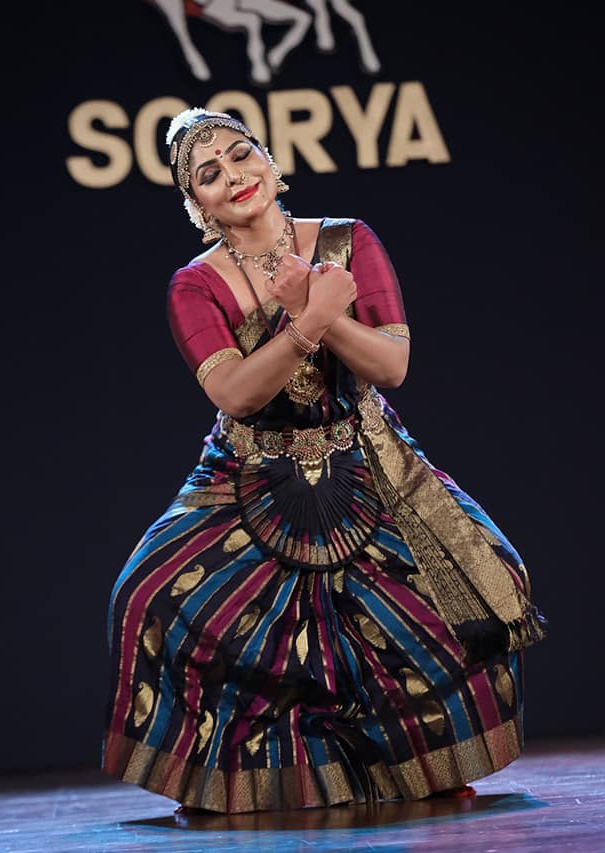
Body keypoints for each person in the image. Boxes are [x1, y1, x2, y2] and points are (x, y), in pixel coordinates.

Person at [102, 108, 545, 814]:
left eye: (241, 155)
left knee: (480, 584)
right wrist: (305, 322)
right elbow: (235, 394)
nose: (233, 176)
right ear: (198, 206)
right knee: (149, 596)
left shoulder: (346, 241)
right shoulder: (195, 284)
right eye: (208, 174)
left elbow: (392, 365)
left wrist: (328, 311)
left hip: (364, 453)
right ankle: (227, 781)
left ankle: (423, 765)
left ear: (272, 164)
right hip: (247, 471)